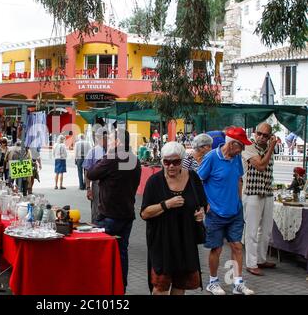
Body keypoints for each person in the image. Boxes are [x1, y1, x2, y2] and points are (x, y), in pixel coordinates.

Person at [141, 142, 206, 295]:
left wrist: (201, 213)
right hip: (162, 242)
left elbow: (202, 203)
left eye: (175, 162)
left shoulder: (193, 177)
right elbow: (144, 213)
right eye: (166, 162)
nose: (171, 166)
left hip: (185, 241)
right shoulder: (154, 182)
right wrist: (166, 204)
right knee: (160, 286)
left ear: (182, 160)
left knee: (180, 284)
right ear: (162, 161)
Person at [197, 126, 255, 295]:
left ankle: (237, 283)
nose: (243, 150)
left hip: (235, 211)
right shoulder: (211, 158)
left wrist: (239, 201)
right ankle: (213, 282)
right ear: (232, 144)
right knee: (217, 249)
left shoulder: (236, 158)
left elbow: (238, 179)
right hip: (215, 213)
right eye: (241, 146)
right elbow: (198, 181)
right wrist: (204, 203)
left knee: (237, 246)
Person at [87, 128, 141, 292]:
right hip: (127, 214)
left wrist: (107, 154)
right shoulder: (134, 159)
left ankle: (104, 286)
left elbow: (91, 173)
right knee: (121, 252)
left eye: (109, 139)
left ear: (117, 141)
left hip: (109, 215)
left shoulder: (111, 158)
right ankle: (121, 287)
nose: (107, 142)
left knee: (102, 253)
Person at [242, 123, 278, 276]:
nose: (262, 137)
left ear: (270, 137)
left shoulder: (268, 148)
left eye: (266, 135)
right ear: (255, 133)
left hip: (267, 192)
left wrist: (270, 148)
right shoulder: (248, 148)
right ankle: (251, 263)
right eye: (259, 133)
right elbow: (261, 166)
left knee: (266, 229)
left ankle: (261, 259)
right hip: (252, 193)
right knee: (251, 230)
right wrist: (271, 147)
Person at [82, 127, 108, 222]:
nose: (106, 139)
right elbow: (87, 170)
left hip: (111, 185)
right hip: (97, 184)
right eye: (103, 137)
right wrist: (88, 188)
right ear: (98, 138)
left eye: (107, 136)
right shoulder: (92, 152)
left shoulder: (114, 152)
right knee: (97, 210)